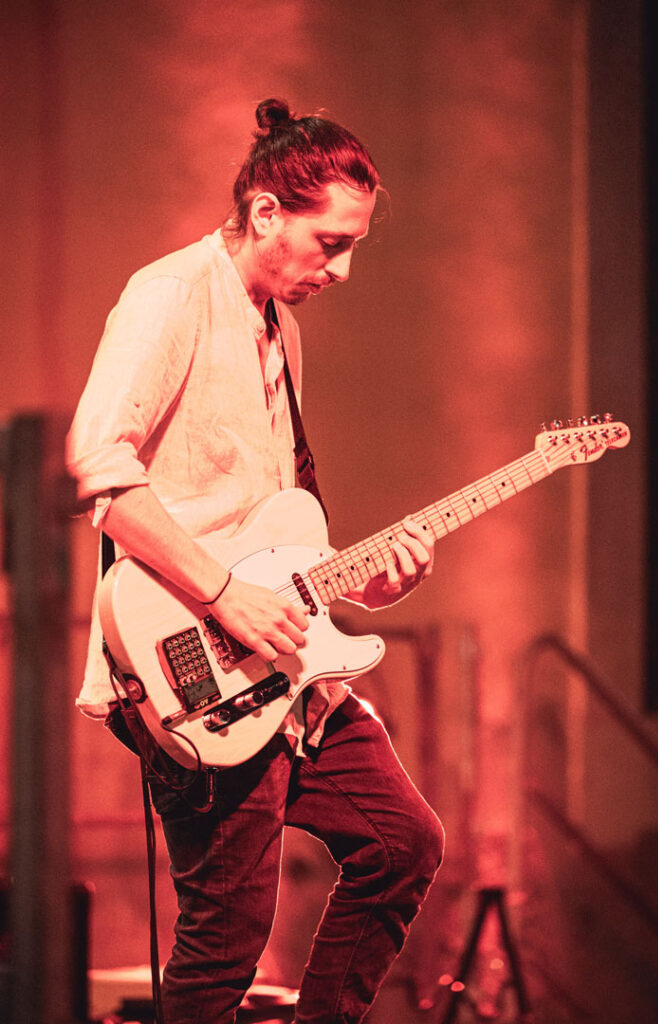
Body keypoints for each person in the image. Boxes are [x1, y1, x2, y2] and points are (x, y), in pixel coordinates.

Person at [67, 98, 445, 1024]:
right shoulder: (170, 295)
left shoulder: (278, 324)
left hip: (280, 660)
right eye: (330, 243)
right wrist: (224, 593)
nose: (341, 269)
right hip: (188, 660)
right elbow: (98, 466)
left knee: (400, 843)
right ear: (266, 213)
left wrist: (358, 580)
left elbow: (267, 525)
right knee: (226, 939)